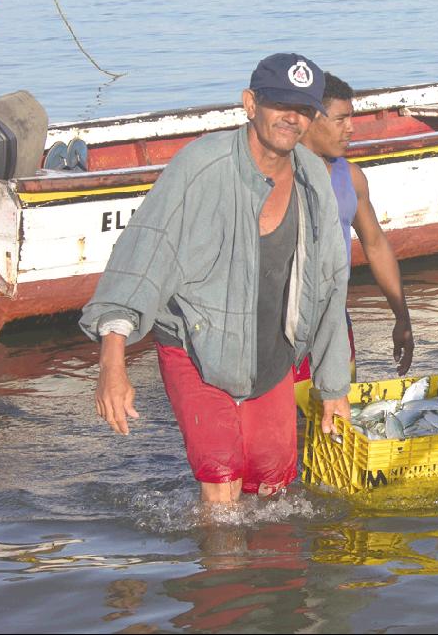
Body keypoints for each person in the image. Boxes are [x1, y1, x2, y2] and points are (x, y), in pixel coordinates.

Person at [80, 53, 352, 504]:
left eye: (303, 109)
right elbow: (141, 258)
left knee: (272, 490)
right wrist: (113, 364)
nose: (292, 118)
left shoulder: (311, 178)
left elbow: (330, 283)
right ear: (250, 104)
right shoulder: (201, 166)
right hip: (197, 345)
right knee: (221, 481)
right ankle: (220, 571)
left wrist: (334, 387)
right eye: (279, 104)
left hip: (271, 354)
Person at [296, 72, 414, 406]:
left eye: (353, 118)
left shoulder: (352, 177)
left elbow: (375, 245)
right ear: (309, 121)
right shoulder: (279, 175)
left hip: (334, 320)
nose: (351, 129)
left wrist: (401, 316)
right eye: (340, 120)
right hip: (284, 328)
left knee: (337, 419)